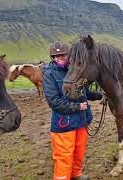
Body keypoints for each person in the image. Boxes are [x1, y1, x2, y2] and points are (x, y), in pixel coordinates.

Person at [43, 42, 103, 180]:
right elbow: (54, 101)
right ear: (53, 57)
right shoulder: (50, 74)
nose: (60, 58)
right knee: (64, 154)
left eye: (63, 54)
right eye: (57, 56)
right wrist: (76, 107)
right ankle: (62, 177)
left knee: (78, 151)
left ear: (68, 55)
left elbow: (84, 91)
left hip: (81, 120)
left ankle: (76, 174)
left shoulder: (73, 70)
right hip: (64, 122)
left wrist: (100, 95)